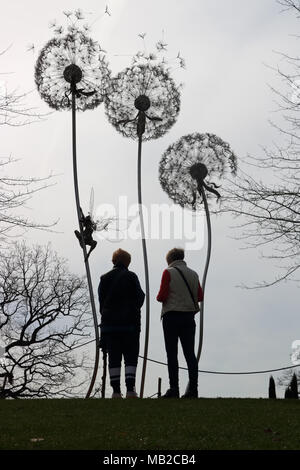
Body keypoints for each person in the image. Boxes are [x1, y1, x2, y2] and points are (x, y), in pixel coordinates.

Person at [156, 248, 203, 398]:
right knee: (190, 354)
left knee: (172, 354)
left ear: (169, 259)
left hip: (171, 316)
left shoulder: (168, 272)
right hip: (189, 317)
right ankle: (193, 389)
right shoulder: (194, 274)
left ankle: (174, 388)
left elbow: (161, 296)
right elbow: (200, 296)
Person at [98, 248, 145, 398]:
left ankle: (116, 391)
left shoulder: (104, 278)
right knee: (131, 357)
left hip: (110, 326)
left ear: (113, 261)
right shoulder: (131, 276)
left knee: (114, 357)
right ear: (128, 262)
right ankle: (131, 389)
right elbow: (140, 298)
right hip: (130, 325)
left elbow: (101, 302)